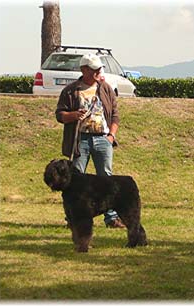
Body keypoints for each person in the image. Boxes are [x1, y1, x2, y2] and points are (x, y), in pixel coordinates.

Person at [55, 53, 125, 228]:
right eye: (94, 69)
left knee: (106, 179)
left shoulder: (106, 88)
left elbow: (115, 115)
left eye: (98, 69)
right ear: (84, 70)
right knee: (75, 181)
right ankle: (73, 218)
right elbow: (60, 115)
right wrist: (73, 115)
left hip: (103, 139)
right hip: (80, 140)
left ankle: (111, 217)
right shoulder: (70, 90)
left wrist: (111, 136)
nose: (97, 72)